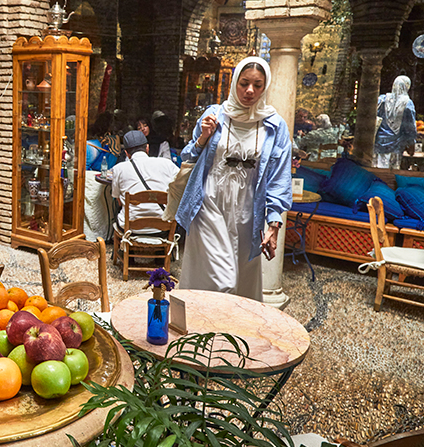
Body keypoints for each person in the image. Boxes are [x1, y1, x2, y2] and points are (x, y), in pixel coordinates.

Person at [176, 56, 292, 301]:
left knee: (242, 279)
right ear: (234, 82)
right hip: (209, 202)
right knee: (223, 278)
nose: (249, 90)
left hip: (247, 210)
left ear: (265, 86)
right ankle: (202, 318)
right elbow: (188, 156)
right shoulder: (215, 115)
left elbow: (279, 178)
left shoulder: (275, 126)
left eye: (257, 85)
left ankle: (227, 333)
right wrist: (202, 138)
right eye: (244, 83)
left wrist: (274, 225)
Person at [111, 130, 179, 234]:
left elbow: (118, 201)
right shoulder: (167, 164)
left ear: (126, 153)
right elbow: (181, 188)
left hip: (130, 228)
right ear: (147, 148)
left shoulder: (118, 169)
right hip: (164, 227)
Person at [374, 75, 417, 169]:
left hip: (378, 144)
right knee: (391, 175)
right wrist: (411, 143)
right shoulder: (408, 104)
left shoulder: (382, 99)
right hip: (396, 146)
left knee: (376, 171)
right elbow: (410, 128)